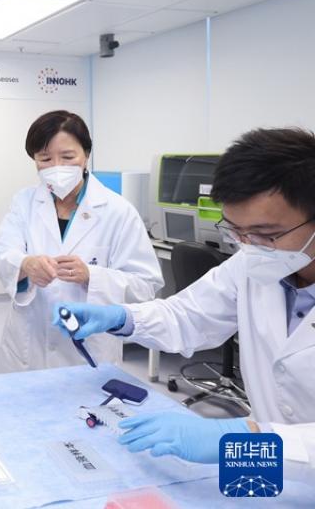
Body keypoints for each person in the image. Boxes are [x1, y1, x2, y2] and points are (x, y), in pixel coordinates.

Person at [58, 128, 315, 481]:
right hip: (269, 466)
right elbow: (188, 315)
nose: (248, 246)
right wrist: (122, 318)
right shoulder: (251, 263)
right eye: (236, 231)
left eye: (266, 233)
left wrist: (245, 437)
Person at [0, 110, 162, 373]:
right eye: (45, 158)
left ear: (86, 155)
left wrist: (92, 276)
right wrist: (26, 264)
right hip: (28, 346)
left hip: (89, 350)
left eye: (68, 157)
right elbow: (2, 254)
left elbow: (146, 286)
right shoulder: (24, 203)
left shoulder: (118, 211)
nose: (56, 167)